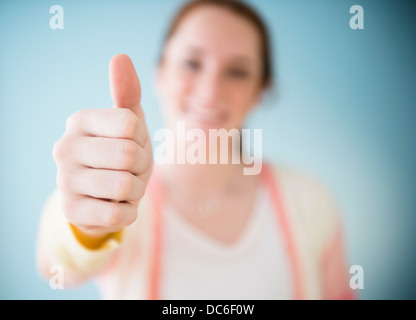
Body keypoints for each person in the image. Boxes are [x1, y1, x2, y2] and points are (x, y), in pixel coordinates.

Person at [36, 0, 354, 299]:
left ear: (260, 92)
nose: (209, 91)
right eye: (191, 63)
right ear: (159, 74)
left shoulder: (310, 200)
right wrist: (90, 222)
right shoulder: (119, 196)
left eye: (238, 71)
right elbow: (56, 268)